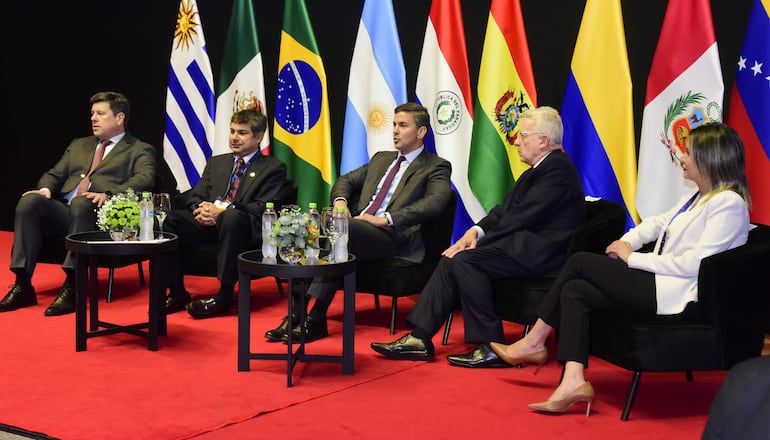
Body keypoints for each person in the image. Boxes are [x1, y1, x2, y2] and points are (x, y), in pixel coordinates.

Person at [488, 122, 751, 416]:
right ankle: (572, 381)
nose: (682, 158)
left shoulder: (729, 204)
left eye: (688, 152)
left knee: (580, 262)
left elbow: (695, 265)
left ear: (710, 159)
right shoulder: (697, 197)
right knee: (576, 290)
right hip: (659, 282)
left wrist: (632, 258)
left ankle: (535, 340)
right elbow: (655, 224)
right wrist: (624, 242)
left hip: (677, 294)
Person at [370, 106, 585, 366]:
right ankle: (419, 338)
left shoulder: (557, 171)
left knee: (464, 260)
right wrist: (475, 231)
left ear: (543, 140)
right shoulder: (537, 171)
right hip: (519, 248)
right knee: (451, 258)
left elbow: (521, 218)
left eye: (523, 135)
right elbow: (502, 212)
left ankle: (491, 344)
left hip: (542, 256)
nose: (516, 140)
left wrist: (476, 245)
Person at [263, 102, 453, 342]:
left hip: (395, 238)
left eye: (402, 125)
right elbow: (346, 181)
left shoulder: (436, 166)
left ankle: (316, 316)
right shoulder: (381, 159)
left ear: (421, 131)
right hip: (357, 232)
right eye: (394, 124)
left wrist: (386, 219)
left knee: (343, 231)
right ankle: (297, 315)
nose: (394, 130)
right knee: (313, 228)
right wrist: (341, 203)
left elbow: (436, 201)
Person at [0, 91, 156, 316]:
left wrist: (110, 194)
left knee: (81, 204)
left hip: (98, 216)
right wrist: (45, 190)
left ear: (119, 118)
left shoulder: (139, 149)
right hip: (66, 210)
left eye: (101, 113)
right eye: (92, 113)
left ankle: (73, 286)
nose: (93, 118)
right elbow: (54, 174)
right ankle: (23, 283)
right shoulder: (79, 145)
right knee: (30, 202)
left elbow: (145, 180)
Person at [162, 108, 289, 319]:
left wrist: (223, 210)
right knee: (173, 220)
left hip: (243, 227)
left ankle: (224, 294)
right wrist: (199, 209)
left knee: (231, 217)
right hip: (209, 223)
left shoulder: (273, 167)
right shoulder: (217, 163)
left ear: (259, 136)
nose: (234, 138)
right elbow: (195, 195)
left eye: (242, 132)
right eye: (232, 131)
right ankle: (176, 291)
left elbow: (262, 207)